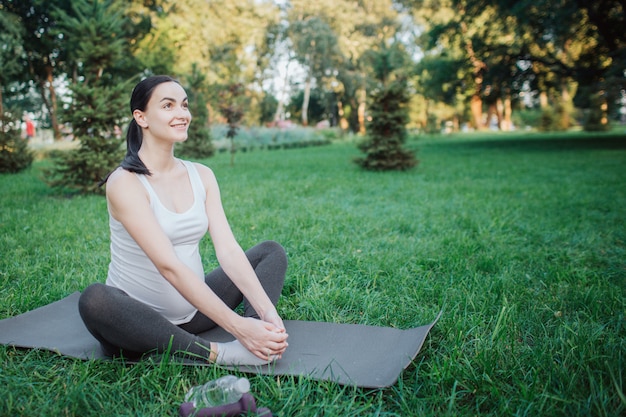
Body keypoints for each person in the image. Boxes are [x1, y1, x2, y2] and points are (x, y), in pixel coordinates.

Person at [78, 75, 289, 366]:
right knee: (94, 300)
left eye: (184, 105)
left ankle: (258, 339)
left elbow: (227, 250)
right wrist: (235, 325)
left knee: (270, 252)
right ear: (141, 117)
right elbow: (169, 266)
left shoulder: (202, 175)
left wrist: (267, 315)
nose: (182, 114)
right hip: (138, 325)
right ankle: (221, 352)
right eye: (168, 105)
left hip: (194, 315)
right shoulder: (124, 183)